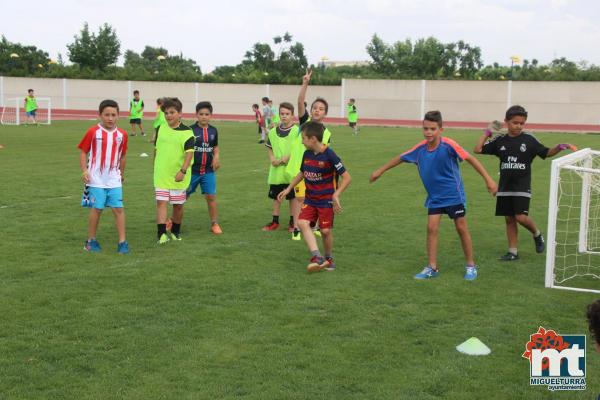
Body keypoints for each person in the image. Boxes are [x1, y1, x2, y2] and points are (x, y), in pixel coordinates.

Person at [370, 110, 497, 281]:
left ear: (441, 130)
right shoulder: (420, 149)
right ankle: (432, 267)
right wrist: (380, 171)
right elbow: (400, 158)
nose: (428, 132)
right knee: (431, 228)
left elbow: (471, 159)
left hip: (454, 195)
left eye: (432, 129)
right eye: (425, 129)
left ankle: (471, 265)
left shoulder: (449, 145)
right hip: (435, 197)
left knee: (461, 228)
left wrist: (488, 180)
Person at [474, 105, 576, 261]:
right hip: (505, 186)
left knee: (520, 217)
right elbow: (478, 149)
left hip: (521, 185)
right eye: (515, 122)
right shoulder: (500, 140)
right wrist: (487, 132)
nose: (519, 126)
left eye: (522, 123)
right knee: (509, 219)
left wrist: (560, 147)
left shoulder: (529, 139)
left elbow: (546, 152)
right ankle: (513, 252)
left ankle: (537, 233)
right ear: (506, 122)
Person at [278, 121, 351, 272]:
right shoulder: (307, 154)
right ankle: (317, 256)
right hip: (310, 199)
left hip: (325, 201)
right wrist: (289, 188)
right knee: (303, 223)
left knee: (325, 231)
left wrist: (336, 194)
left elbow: (347, 177)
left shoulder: (330, 155)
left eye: (304, 138)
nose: (302, 141)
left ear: (313, 139)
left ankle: (328, 258)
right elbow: (302, 173)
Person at [285, 68, 332, 240]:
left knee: (317, 197)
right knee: (300, 198)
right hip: (299, 168)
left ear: (325, 113)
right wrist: (305, 83)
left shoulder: (326, 132)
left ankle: (316, 225)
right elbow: (300, 101)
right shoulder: (305, 123)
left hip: (317, 170)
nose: (317, 110)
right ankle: (297, 228)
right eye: (315, 108)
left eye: (321, 109)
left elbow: (325, 152)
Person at [78, 99, 129, 254]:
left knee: (118, 209)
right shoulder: (93, 132)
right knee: (97, 208)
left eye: (113, 114)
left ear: (118, 116)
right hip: (96, 179)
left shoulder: (122, 134)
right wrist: (84, 170)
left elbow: (123, 155)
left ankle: (122, 242)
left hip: (114, 178)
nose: (110, 118)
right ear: (100, 115)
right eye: (107, 114)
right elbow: (83, 151)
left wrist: (121, 173)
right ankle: (91, 240)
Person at [153, 97, 195, 243]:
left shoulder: (187, 132)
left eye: (172, 112)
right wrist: (154, 165)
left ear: (180, 114)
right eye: (166, 112)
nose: (168, 115)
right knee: (161, 203)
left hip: (179, 175)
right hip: (161, 174)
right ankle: (161, 234)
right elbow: (157, 149)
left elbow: (189, 154)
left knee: (177, 206)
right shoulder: (161, 128)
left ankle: (175, 232)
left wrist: (182, 171)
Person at [187, 101, 223, 235]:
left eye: (206, 114)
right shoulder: (190, 130)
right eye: (201, 114)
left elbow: (215, 147)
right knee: (183, 196)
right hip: (192, 171)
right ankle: (173, 220)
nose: (204, 116)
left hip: (208, 171)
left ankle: (214, 223)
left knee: (211, 196)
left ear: (211, 115)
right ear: (196, 115)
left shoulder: (214, 130)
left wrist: (216, 157)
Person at [262, 102, 297, 232]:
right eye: (282, 114)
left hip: (291, 171)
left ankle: (293, 222)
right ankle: (275, 221)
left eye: (287, 114)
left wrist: (285, 159)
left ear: (292, 115)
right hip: (276, 172)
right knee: (276, 197)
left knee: (292, 198)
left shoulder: (296, 131)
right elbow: (270, 148)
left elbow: (299, 149)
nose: (284, 116)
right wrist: (272, 160)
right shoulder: (273, 131)